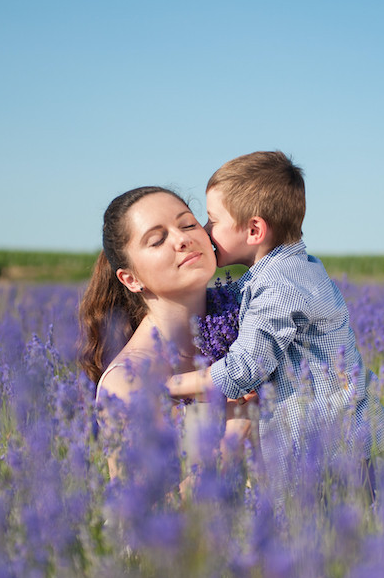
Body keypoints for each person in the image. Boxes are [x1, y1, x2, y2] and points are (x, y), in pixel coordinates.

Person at [166, 151, 384, 497]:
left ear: (254, 230)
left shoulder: (280, 286)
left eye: (213, 220)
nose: (205, 229)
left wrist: (166, 386)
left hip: (339, 457)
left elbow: (243, 369)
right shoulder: (290, 269)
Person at [77, 186, 254, 484]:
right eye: (157, 240)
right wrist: (233, 440)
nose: (182, 239)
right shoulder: (128, 380)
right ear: (131, 279)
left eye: (188, 224)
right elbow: (145, 506)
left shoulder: (253, 327)